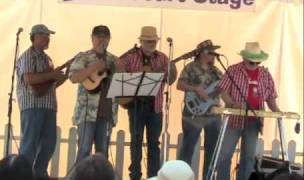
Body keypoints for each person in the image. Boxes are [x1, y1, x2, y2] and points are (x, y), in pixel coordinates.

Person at [216, 42, 281, 180]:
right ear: (244, 58)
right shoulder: (233, 70)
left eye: (256, 61)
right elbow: (223, 91)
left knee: (249, 157)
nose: (254, 63)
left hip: (254, 121)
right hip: (234, 119)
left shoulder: (265, 74)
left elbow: (270, 98)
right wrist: (232, 104)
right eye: (251, 61)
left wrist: (278, 111)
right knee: (224, 155)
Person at [119, 26, 177, 180]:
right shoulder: (130, 57)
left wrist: (172, 68)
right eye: (148, 41)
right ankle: (135, 175)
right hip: (136, 106)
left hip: (155, 107)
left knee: (153, 144)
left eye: (153, 41)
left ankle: (153, 176)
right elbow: (118, 73)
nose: (152, 44)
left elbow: (170, 80)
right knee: (136, 141)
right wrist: (136, 76)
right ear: (141, 41)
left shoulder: (163, 58)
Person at [16, 24, 67, 180]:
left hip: (49, 106)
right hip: (32, 106)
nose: (48, 38)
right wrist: (52, 74)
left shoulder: (47, 59)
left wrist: (63, 76)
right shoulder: (28, 56)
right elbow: (29, 78)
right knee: (29, 144)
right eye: (45, 35)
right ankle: (23, 175)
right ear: (36, 37)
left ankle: (39, 173)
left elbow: (48, 84)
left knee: (49, 143)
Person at [69, 25, 120, 163]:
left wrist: (121, 68)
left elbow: (122, 82)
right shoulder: (83, 57)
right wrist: (93, 67)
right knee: (84, 150)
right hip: (87, 113)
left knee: (102, 153)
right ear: (92, 38)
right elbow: (73, 77)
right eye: (98, 36)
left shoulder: (114, 60)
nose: (101, 40)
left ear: (109, 39)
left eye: (104, 37)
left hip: (107, 112)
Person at [177, 39, 222, 180]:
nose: (214, 55)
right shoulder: (190, 67)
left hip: (213, 114)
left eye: (215, 53)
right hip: (193, 113)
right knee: (188, 148)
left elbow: (224, 89)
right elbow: (179, 84)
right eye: (211, 52)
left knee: (212, 149)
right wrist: (196, 89)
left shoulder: (217, 71)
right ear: (202, 53)